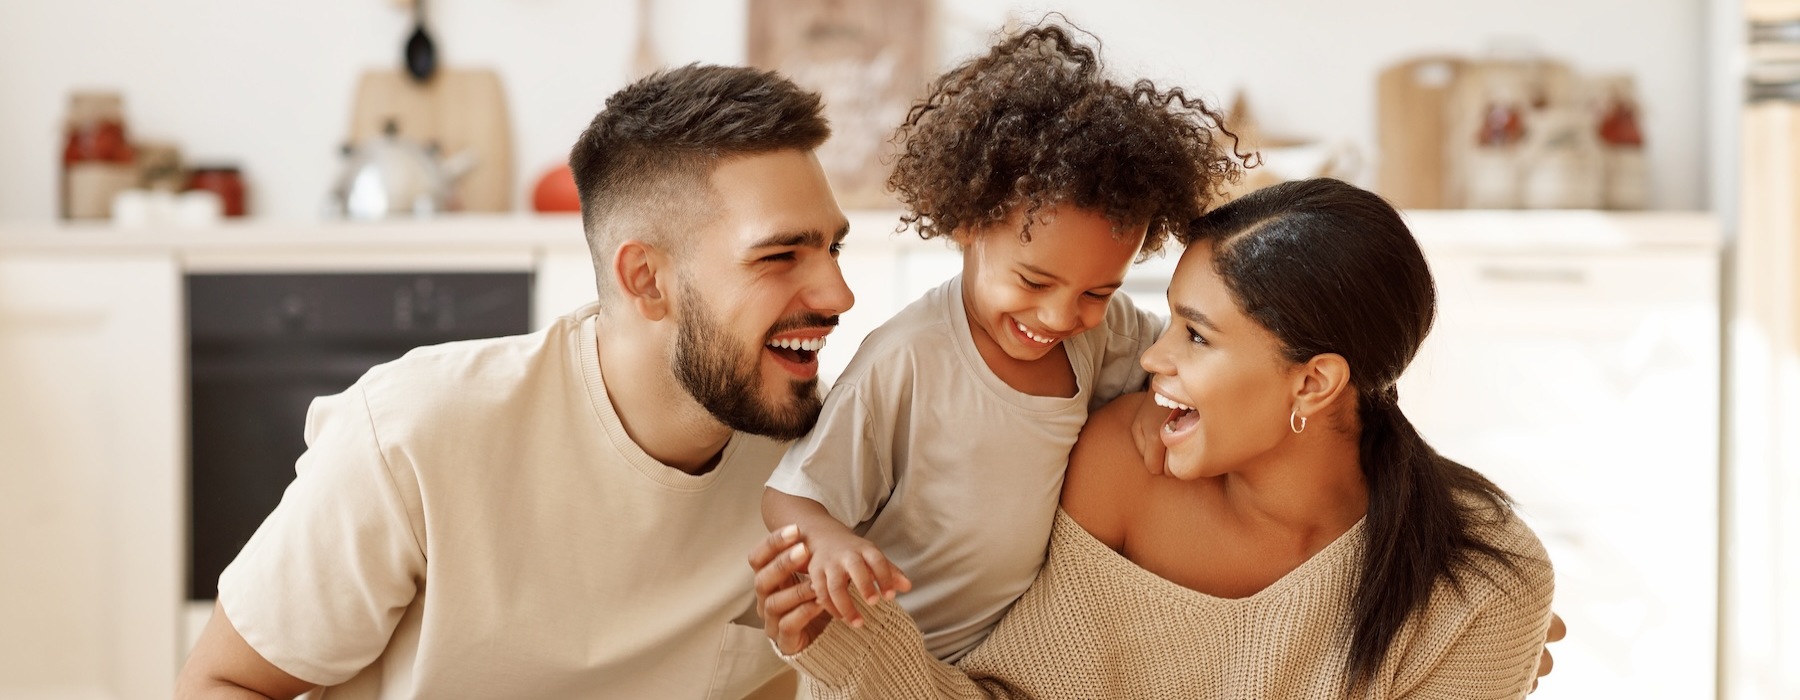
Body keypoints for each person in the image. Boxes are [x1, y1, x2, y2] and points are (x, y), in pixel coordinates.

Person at [175, 64, 854, 699]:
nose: (838, 293)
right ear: (647, 280)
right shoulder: (415, 435)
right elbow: (221, 684)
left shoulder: (816, 472)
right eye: (780, 255)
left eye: (832, 248)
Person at [753, 178, 1560, 699]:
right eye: (1167, 318)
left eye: (1197, 337)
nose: (1151, 357)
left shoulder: (1486, 582)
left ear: (1313, 382)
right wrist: (859, 649)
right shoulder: (1125, 469)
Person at [759, 23, 1239, 663]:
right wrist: (827, 541)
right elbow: (789, 494)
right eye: (1033, 280)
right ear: (967, 224)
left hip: (1012, 655)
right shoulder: (908, 359)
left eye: (1097, 291)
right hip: (891, 657)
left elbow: (1172, 361)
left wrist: (1159, 401)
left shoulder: (1103, 333)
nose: (1062, 315)